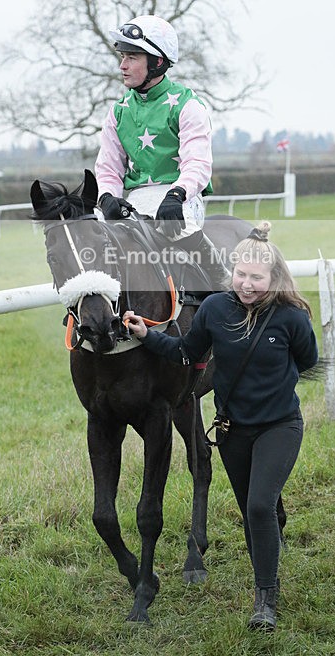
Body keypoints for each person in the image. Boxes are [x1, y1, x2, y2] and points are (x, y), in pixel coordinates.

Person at [123, 221, 319, 632]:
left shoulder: (292, 317)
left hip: (280, 426)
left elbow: (306, 360)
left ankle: (265, 599)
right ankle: (266, 567)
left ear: (274, 278)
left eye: (256, 278)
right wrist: (147, 335)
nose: (246, 284)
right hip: (232, 430)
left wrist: (271, 387)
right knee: (252, 512)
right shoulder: (215, 309)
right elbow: (185, 352)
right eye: (240, 275)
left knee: (259, 506)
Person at [95, 13, 230, 290]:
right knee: (92, 232)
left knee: (177, 227)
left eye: (132, 57)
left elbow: (197, 164)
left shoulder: (188, 105)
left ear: (157, 62)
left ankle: (224, 284)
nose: (122, 65)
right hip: (136, 199)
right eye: (123, 57)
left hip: (181, 198)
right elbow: (108, 168)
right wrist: (107, 196)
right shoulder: (118, 112)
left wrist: (177, 194)